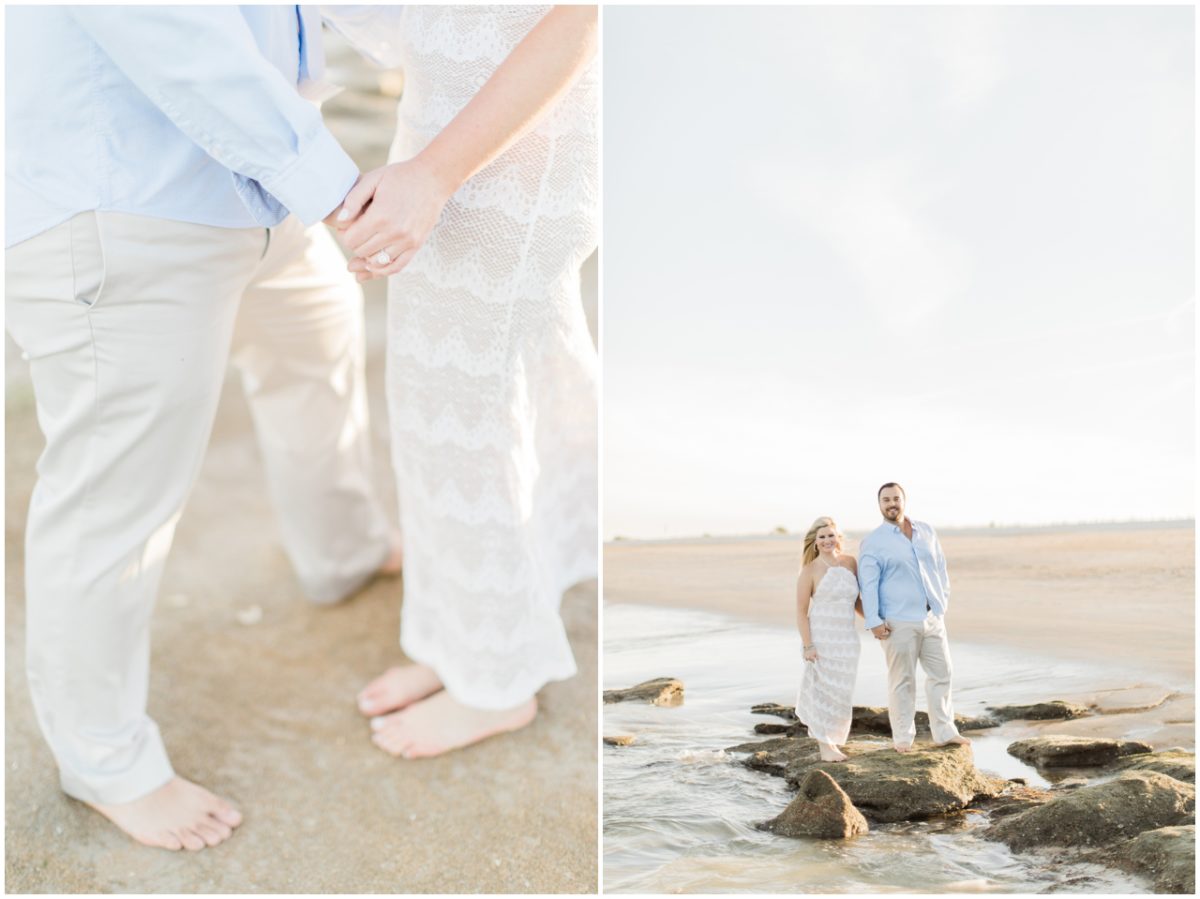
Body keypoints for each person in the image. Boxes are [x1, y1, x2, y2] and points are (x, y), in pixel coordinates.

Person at [5, 6, 399, 851]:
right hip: (122, 198)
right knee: (115, 497)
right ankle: (105, 762)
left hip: (253, 190)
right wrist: (342, 193)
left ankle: (344, 551)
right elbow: (168, 28)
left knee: (319, 350)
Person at [322, 5, 598, 758]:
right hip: (437, 131)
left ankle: (497, 683)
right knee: (428, 407)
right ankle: (453, 636)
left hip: (508, 159)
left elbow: (580, 16)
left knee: (472, 419)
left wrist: (434, 176)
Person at [858, 483, 970, 752]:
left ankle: (944, 732)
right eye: (886, 500)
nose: (891, 503)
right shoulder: (873, 542)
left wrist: (942, 600)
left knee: (942, 674)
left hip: (932, 618)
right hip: (897, 622)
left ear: (904, 500)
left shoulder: (926, 531)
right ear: (879, 505)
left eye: (896, 498)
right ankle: (903, 739)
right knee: (902, 681)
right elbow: (868, 584)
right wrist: (873, 620)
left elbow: (940, 567)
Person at [794, 517, 863, 762]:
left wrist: (876, 623)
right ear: (815, 542)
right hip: (822, 638)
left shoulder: (850, 563)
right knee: (822, 690)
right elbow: (801, 612)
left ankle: (835, 740)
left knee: (842, 692)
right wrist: (808, 645)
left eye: (830, 535)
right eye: (821, 537)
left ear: (838, 538)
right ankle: (825, 745)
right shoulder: (810, 570)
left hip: (847, 639)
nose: (826, 540)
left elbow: (856, 602)